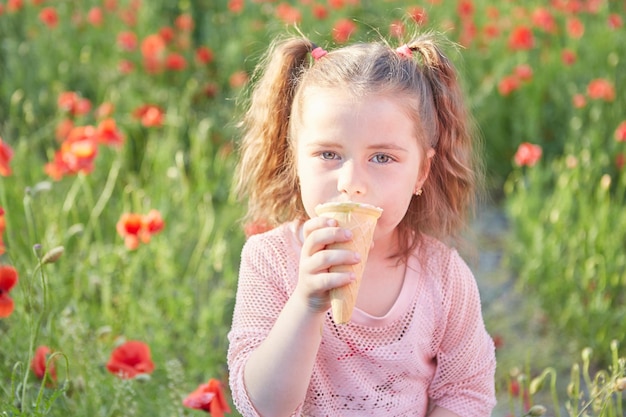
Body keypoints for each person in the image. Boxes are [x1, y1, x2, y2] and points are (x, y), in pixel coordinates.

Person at [227, 30, 496, 417]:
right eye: (328, 154)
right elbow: (264, 406)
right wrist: (306, 303)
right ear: (296, 161)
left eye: (382, 158)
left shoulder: (445, 279)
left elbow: (466, 394)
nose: (351, 182)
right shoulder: (269, 260)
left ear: (421, 172)